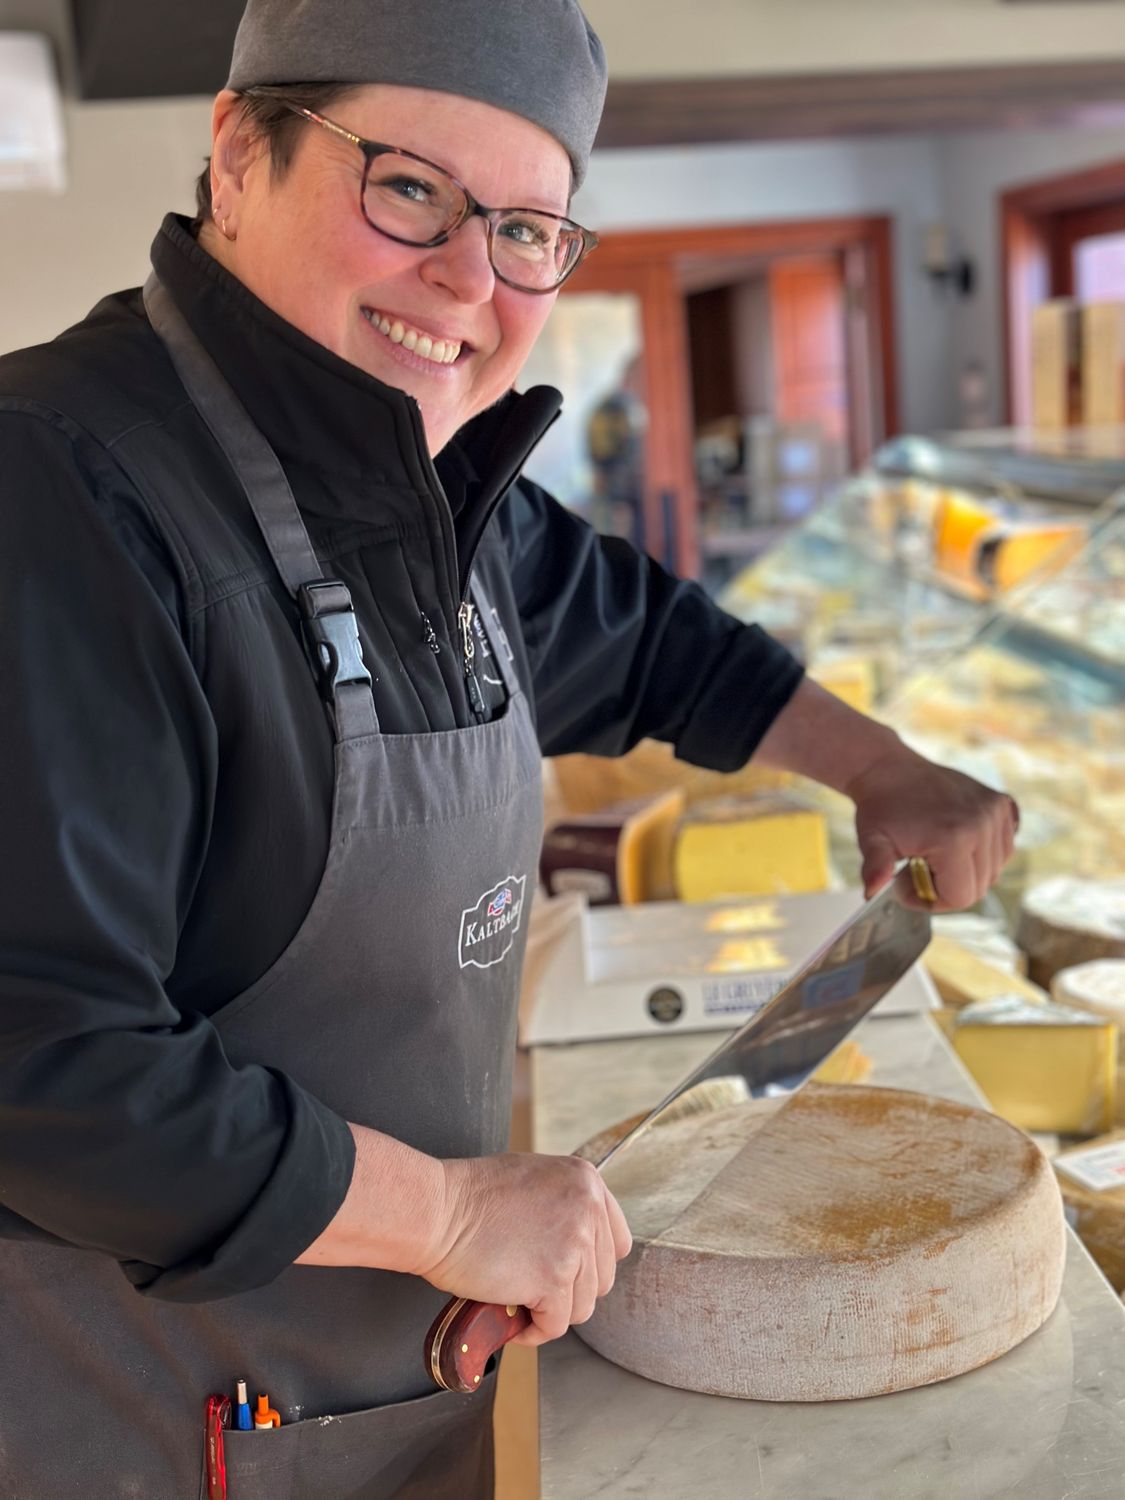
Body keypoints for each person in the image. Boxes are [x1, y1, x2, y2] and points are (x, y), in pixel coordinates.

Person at [0, 1, 1018, 1494]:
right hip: (134, 1418)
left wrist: (878, 768)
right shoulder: (57, 488)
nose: (468, 278)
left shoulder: (422, 479)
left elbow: (657, 640)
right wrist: (454, 1217)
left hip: (370, 1392)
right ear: (235, 154)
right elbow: (44, 1059)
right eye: (406, 187)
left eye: (529, 228)